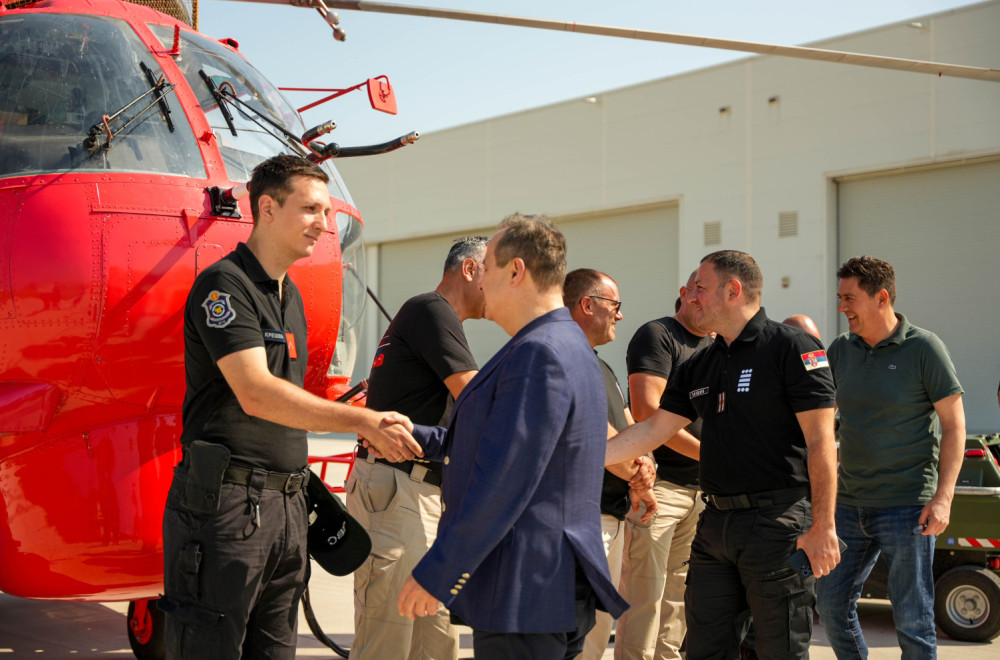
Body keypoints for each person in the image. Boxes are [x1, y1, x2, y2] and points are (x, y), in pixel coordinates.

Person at [160, 155, 420, 659]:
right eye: (311, 210)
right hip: (227, 509)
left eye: (326, 212)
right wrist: (361, 420)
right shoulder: (224, 287)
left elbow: (292, 398)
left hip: (288, 508)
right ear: (268, 207)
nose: (325, 225)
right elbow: (256, 391)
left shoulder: (291, 297)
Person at [393, 214, 629, 660]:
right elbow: (511, 445)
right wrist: (418, 436)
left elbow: (506, 479)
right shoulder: (558, 342)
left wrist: (439, 572)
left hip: (526, 590)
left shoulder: (539, 352)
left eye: (486, 270)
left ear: (516, 271)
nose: (478, 282)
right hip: (542, 586)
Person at [606, 249, 841, 660]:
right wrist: (580, 453)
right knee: (703, 649)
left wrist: (823, 526)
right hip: (714, 526)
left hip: (778, 524)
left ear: (733, 290)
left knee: (779, 649)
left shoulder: (793, 348)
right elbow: (651, 429)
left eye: (700, 288)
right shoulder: (701, 365)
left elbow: (822, 444)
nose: (690, 296)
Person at [816, 255, 965, 659]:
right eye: (839, 297)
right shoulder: (839, 351)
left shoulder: (924, 348)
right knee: (829, 607)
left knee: (913, 622)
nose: (841, 307)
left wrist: (943, 497)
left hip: (907, 505)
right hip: (847, 505)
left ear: (881, 298)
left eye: (849, 298)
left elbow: (953, 426)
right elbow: (823, 424)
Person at [347, 236, 487, 660]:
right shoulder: (432, 310)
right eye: (495, 274)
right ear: (468, 270)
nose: (499, 288)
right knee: (387, 641)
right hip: (400, 491)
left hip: (416, 493)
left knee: (434, 644)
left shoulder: (433, 318)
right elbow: (477, 400)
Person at [617, 270, 713, 660]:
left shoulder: (716, 345)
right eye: (698, 290)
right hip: (660, 489)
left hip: (702, 492)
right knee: (645, 597)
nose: (704, 300)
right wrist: (712, 455)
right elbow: (645, 411)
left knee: (678, 599)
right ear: (684, 293)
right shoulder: (658, 335)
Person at [563, 268, 657, 660]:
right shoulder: (566, 358)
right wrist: (639, 476)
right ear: (587, 305)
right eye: (614, 306)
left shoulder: (601, 365)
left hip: (612, 518)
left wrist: (646, 465)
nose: (620, 315)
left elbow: (627, 423)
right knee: (577, 639)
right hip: (585, 519)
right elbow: (595, 434)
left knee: (594, 639)